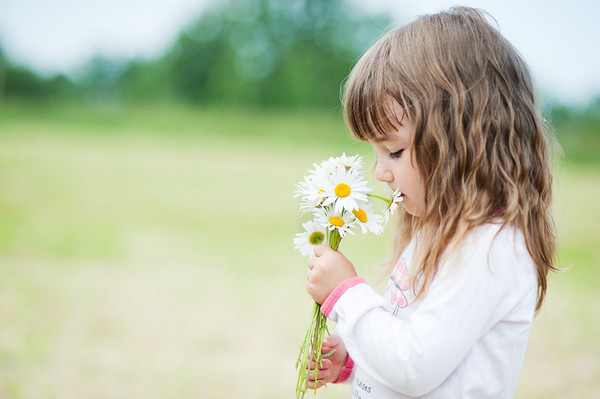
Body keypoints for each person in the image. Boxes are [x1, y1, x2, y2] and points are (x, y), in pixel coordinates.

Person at [304, 7, 559, 399]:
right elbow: (417, 337)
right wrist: (357, 358)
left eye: (393, 151)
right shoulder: (439, 230)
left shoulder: (490, 248)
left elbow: (414, 366)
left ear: (458, 141)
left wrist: (348, 295)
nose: (380, 174)